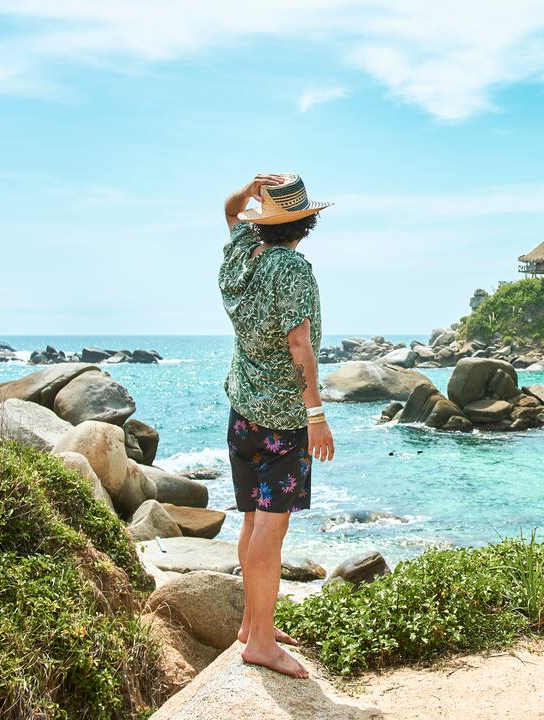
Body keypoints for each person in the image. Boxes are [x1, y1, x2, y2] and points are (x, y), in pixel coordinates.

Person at [219, 173, 334, 679]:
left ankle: (251, 625)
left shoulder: (242, 253)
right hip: (284, 423)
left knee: (251, 519)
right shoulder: (292, 270)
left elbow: (229, 212)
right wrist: (317, 415)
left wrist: (246, 189)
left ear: (262, 220)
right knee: (270, 527)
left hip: (242, 412)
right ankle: (261, 643)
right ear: (306, 224)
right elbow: (298, 344)